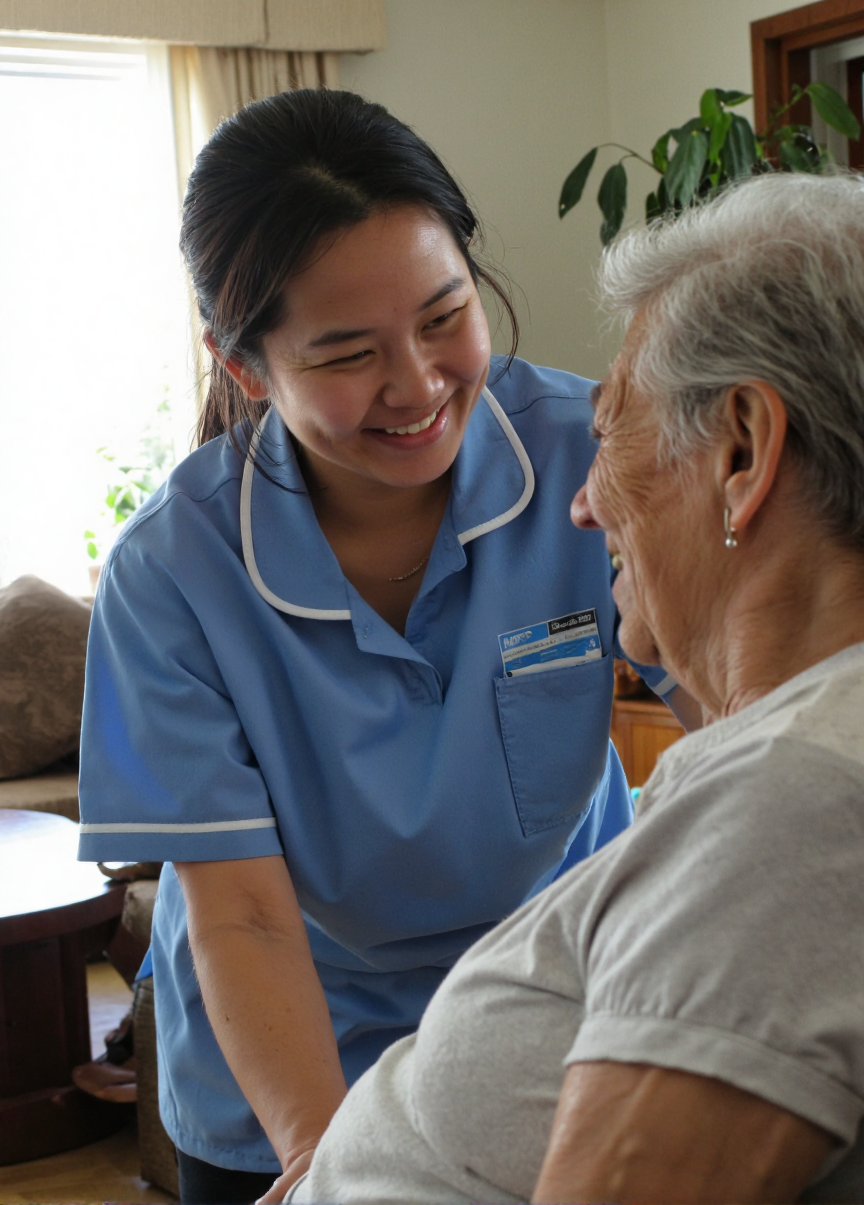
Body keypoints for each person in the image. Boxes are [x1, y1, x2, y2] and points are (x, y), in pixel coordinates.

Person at [76, 89, 685, 1204]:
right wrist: (325, 1160)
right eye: (349, 353)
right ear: (246, 364)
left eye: (445, 316)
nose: (419, 386)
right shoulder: (173, 575)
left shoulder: (595, 453)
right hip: (287, 1056)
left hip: (558, 1006)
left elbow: (738, 711)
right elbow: (244, 912)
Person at [283, 170, 864, 1205]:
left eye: (611, 431)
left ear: (742, 447)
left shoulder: (795, 804)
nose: (585, 505)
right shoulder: (790, 757)